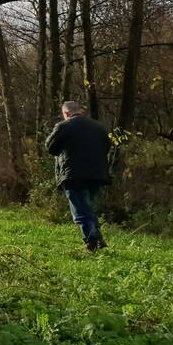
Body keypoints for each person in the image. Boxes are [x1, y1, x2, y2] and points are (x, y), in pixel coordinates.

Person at [45, 101, 112, 251]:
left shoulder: (64, 126)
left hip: (74, 174)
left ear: (66, 113)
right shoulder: (99, 127)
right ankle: (98, 240)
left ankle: (93, 242)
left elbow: (50, 147)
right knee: (87, 208)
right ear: (80, 111)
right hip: (97, 174)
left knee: (81, 211)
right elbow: (106, 148)